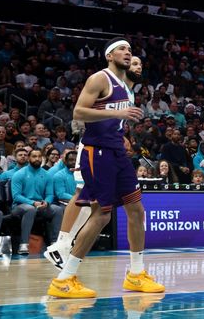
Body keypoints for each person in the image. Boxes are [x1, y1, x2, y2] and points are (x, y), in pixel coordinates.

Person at [47, 40, 163, 298]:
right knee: (101, 215)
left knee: (136, 210)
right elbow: (78, 112)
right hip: (96, 152)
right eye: (123, 50)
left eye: (131, 51)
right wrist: (117, 115)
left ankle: (136, 274)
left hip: (117, 153)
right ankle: (64, 279)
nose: (128, 53)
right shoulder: (100, 78)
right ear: (110, 55)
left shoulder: (125, 87)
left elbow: (114, 118)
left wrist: (121, 132)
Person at [44, 56, 143, 271]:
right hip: (93, 148)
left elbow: (116, 122)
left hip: (112, 148)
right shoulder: (106, 81)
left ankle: (66, 244)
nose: (137, 66)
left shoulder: (129, 92)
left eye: (140, 64)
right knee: (82, 192)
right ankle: (61, 243)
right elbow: (80, 114)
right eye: (134, 63)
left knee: (95, 203)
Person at [11, 148, 64, 254]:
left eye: (39, 156)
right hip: (20, 206)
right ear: (29, 158)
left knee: (57, 209)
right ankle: (24, 244)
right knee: (30, 209)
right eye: (34, 156)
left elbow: (49, 194)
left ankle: (55, 243)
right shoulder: (19, 174)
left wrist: (47, 202)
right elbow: (16, 196)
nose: (37, 159)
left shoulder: (47, 174)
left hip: (40, 205)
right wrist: (33, 203)